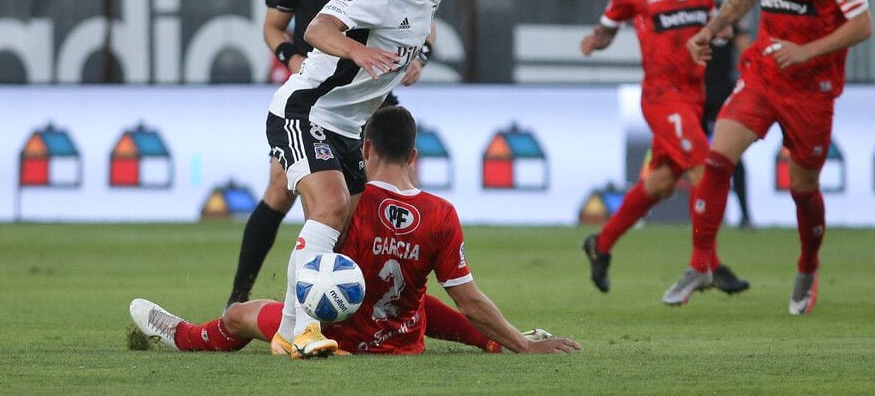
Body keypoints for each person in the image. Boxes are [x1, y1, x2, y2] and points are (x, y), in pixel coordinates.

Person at [130, 106, 580, 356]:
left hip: (335, 337)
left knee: (239, 315)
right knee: (417, 291)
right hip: (401, 344)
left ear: (366, 148)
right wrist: (518, 343)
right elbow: (469, 300)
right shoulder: (442, 213)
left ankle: (181, 334)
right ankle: (490, 340)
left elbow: (304, 270)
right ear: (414, 154)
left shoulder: (342, 204)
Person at [265, 0, 474, 357]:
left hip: (347, 127)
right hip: (305, 111)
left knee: (337, 232)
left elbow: (420, 24)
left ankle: (285, 332)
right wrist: (356, 53)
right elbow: (319, 28)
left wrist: (417, 56)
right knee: (332, 205)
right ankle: (306, 330)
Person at [663, 0, 871, 313]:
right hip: (762, 75)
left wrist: (806, 51)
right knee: (716, 159)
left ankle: (807, 266)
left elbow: (862, 25)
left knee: (802, 189)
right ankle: (701, 264)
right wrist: (710, 30)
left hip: (811, 89)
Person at [227, 0, 433, 308]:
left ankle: (357, 302)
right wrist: (291, 58)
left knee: (370, 203)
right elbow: (272, 26)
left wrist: (420, 58)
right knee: (283, 191)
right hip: (316, 95)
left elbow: (423, 29)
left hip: (370, 101)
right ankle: (242, 299)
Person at [579, 0, 749, 297]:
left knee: (658, 184)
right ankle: (706, 264)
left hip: (693, 96)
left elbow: (715, 29)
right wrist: (594, 42)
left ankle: (600, 245)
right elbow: (608, 28)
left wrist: (717, 38)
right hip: (660, 96)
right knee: (705, 170)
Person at [703, 11, 753, 228]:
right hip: (692, 96)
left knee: (731, 157)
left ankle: (744, 215)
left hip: (721, 95)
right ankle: (706, 216)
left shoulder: (729, 11)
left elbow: (746, 51)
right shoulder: (687, 8)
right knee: (693, 157)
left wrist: (748, 83)